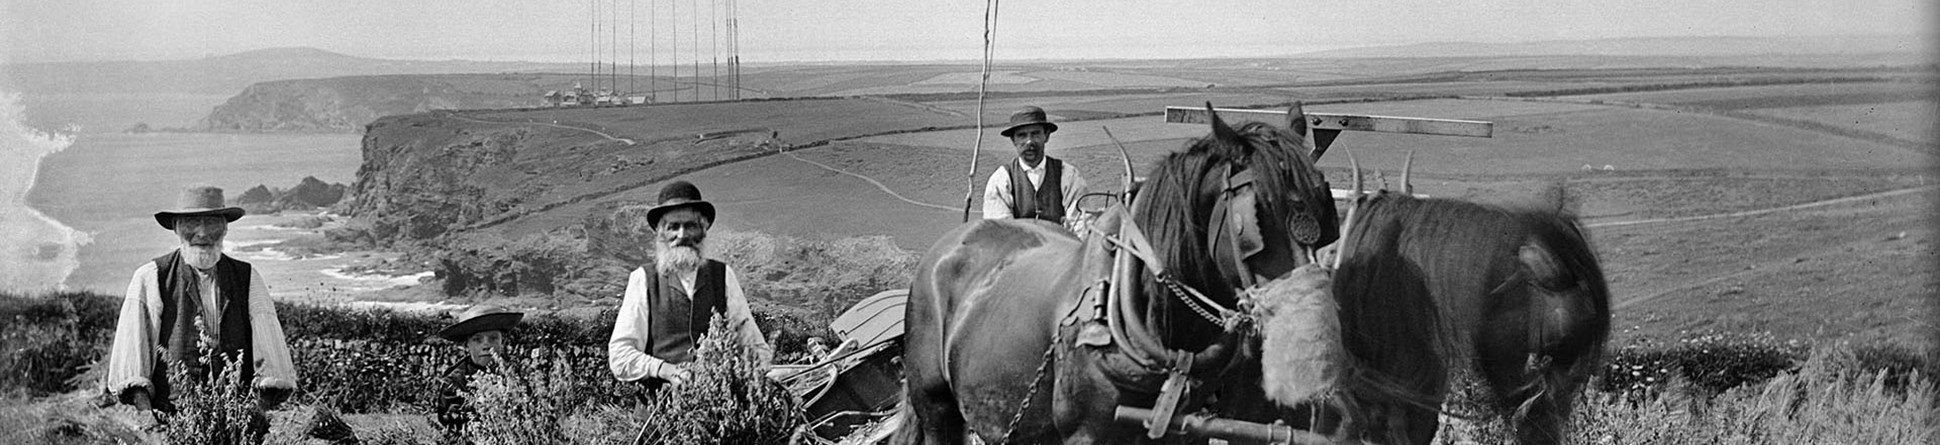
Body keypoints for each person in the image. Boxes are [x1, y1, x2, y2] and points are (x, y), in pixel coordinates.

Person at [103, 185, 298, 441]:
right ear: (175, 227)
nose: (203, 233)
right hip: (172, 420)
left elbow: (272, 361)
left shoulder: (247, 278)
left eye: (213, 222)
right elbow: (132, 362)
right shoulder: (151, 277)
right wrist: (149, 421)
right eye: (192, 221)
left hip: (236, 421)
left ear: (225, 227)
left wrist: (256, 416)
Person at [608, 181, 773, 394]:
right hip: (661, 414)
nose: (682, 234)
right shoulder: (643, 279)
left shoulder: (722, 276)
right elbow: (620, 355)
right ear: (660, 234)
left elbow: (754, 348)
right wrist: (663, 369)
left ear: (703, 231)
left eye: (690, 225)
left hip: (721, 413)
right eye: (673, 227)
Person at [982, 106, 1089, 224]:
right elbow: (1000, 229)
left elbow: (1080, 223)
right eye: (1022, 135)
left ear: (1046, 136)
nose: (1029, 141)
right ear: (1013, 140)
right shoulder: (1001, 179)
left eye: (1035, 134)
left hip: (1061, 240)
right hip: (1016, 241)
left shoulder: (1068, 174)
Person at [433, 305, 523, 442]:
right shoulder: (455, 381)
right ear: (467, 344)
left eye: (493, 338)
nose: (486, 346)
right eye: (477, 340)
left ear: (502, 341)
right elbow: (452, 424)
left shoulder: (515, 373)